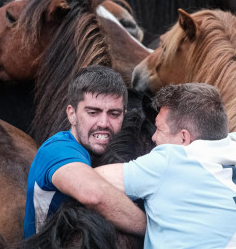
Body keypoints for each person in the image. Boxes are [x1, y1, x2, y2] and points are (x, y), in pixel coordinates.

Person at [95, 82, 236, 249]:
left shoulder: (169, 160)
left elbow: (91, 181)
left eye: (159, 129)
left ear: (184, 138)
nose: (153, 138)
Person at [23, 65, 146, 238]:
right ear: (71, 114)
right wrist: (152, 231)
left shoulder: (113, 153)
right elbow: (94, 195)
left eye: (114, 114)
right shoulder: (57, 149)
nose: (103, 122)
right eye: (93, 112)